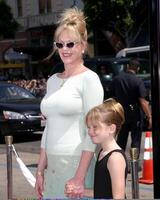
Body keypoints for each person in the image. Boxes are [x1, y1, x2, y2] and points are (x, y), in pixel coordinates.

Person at [35, 7, 104, 199]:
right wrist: (40, 170)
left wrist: (79, 177)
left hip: (76, 164)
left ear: (83, 45)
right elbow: (49, 127)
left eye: (70, 44)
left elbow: (93, 132)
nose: (64, 49)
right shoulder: (52, 80)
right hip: (52, 166)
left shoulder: (89, 79)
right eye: (60, 44)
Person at [81, 98, 128, 199]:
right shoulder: (103, 152)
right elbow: (103, 192)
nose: (90, 132)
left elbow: (118, 197)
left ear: (111, 129)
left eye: (95, 127)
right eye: (89, 127)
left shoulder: (115, 158)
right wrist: (82, 191)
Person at [108, 58, 152, 156]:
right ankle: (134, 164)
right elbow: (143, 101)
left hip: (121, 112)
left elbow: (110, 94)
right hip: (135, 112)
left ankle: (119, 161)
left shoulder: (117, 78)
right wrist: (149, 116)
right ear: (138, 68)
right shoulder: (138, 81)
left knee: (121, 139)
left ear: (127, 66)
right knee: (135, 139)